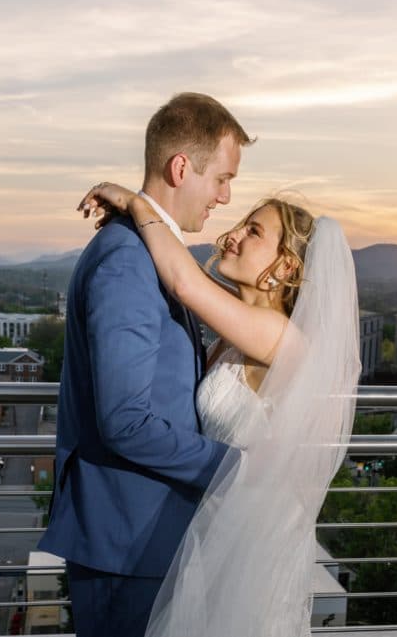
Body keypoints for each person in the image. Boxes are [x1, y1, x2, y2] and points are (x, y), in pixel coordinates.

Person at [79, 181, 362, 637]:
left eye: (253, 231)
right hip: (215, 525)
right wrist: (137, 224)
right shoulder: (241, 330)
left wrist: (136, 202)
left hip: (251, 541)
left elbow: (183, 280)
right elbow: (184, 269)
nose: (232, 235)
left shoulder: (279, 336)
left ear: (283, 266)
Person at [37, 92, 254, 637]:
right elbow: (126, 421)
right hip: (125, 543)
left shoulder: (146, 250)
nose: (226, 197)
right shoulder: (127, 261)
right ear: (182, 167)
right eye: (222, 178)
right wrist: (239, 470)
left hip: (146, 538)